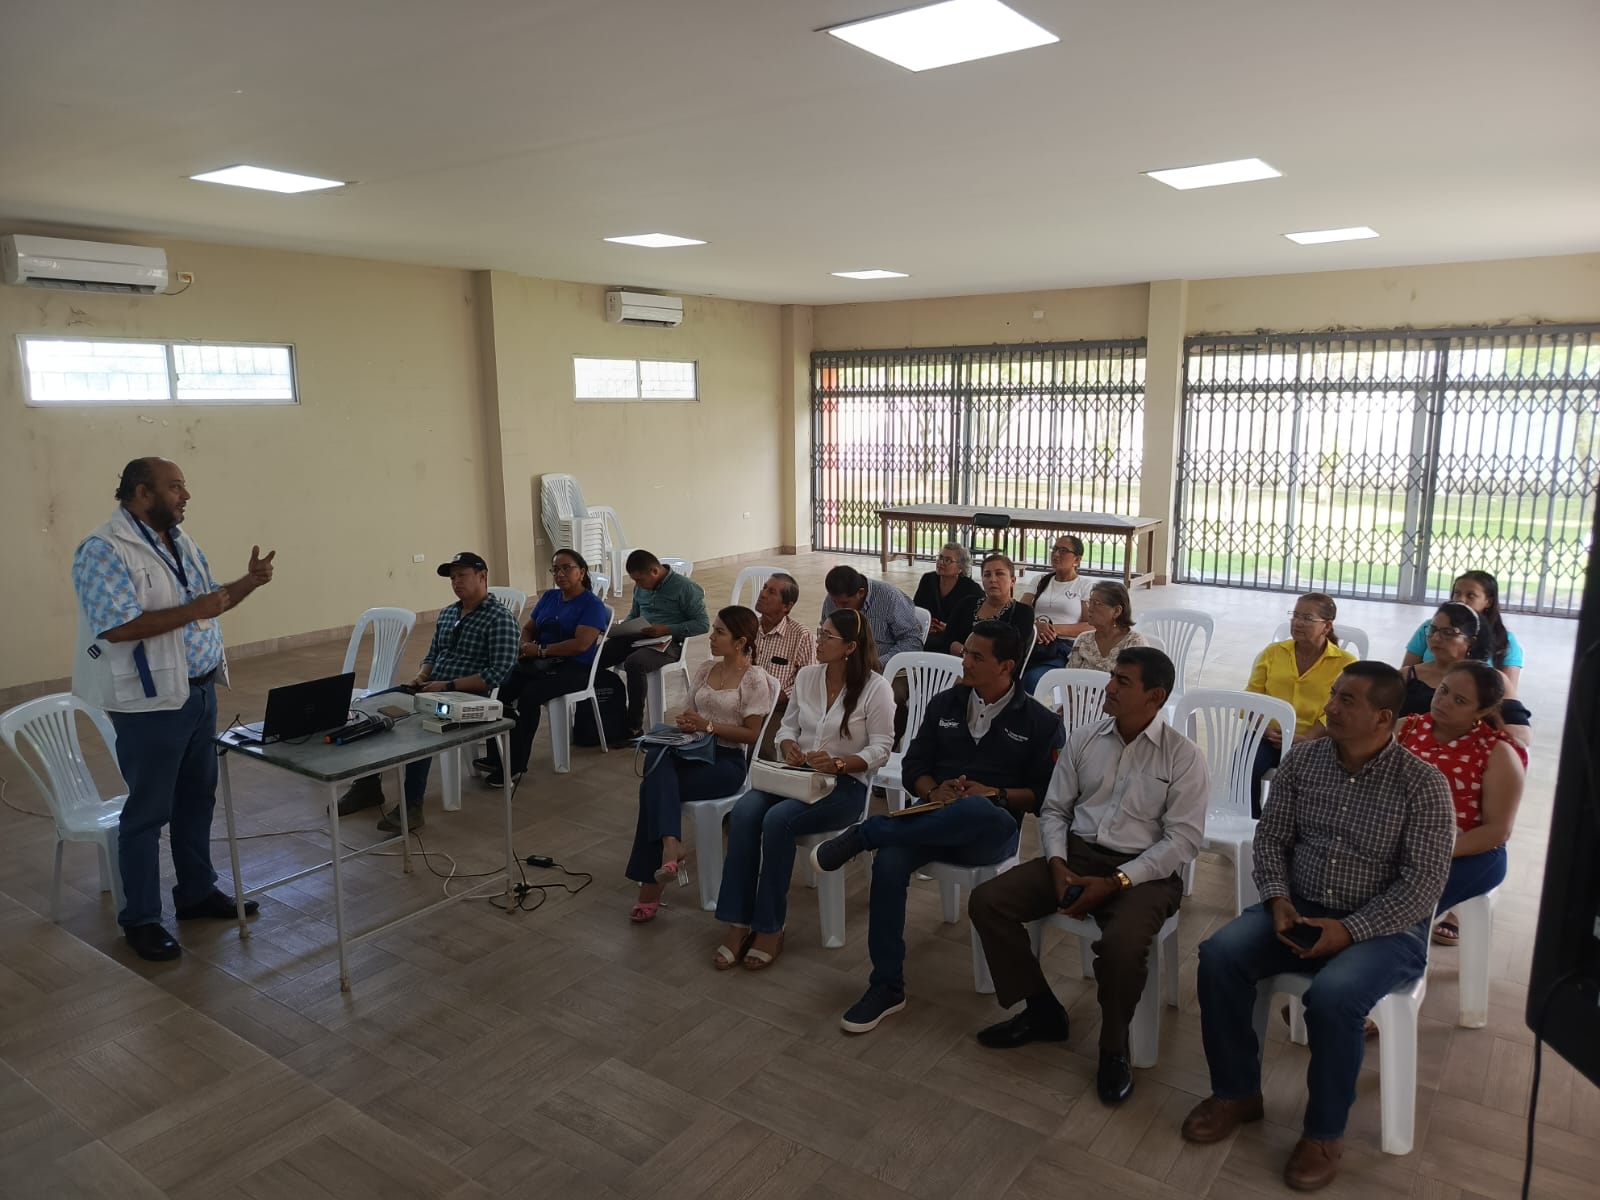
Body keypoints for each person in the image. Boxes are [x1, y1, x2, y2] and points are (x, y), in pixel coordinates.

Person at [1183, 662, 1453, 1192]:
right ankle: (1237, 1093)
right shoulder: (1304, 760)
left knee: (1333, 998)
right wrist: (1278, 899)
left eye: (1346, 700)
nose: (1329, 707)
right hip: (1300, 906)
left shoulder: (1423, 785)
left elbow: (1422, 886)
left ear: (1383, 718)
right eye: (1333, 694)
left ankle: (1323, 1133)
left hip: (1387, 928)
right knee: (1219, 956)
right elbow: (1271, 839)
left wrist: (1350, 930)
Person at [967, 647, 1207, 1104]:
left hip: (1147, 874)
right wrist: (1058, 864)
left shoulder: (1183, 756)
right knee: (989, 901)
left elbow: (1182, 841)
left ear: (1155, 696)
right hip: (1076, 857)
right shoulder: (1085, 738)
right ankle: (1042, 1009)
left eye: (1122, 682)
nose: (1108, 687)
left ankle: (1114, 1047)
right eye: (1112, 677)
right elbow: (1056, 810)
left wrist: (1117, 882)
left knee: (1121, 946)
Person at [808, 621, 1065, 1034]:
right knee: (890, 863)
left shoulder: (1039, 721)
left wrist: (993, 793)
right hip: (927, 819)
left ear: (1007, 666)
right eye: (967, 653)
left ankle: (867, 833)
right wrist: (933, 791)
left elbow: (1043, 795)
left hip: (990, 830)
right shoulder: (945, 703)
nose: (965, 661)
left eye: (977, 657)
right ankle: (886, 986)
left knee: (976, 808)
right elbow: (914, 766)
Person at [71, 457, 277, 962]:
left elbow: (209, 602)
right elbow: (115, 626)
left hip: (200, 692)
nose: (185, 495)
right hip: (150, 703)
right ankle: (141, 919)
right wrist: (192, 611)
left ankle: (196, 893)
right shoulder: (103, 549)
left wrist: (249, 583)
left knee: (196, 799)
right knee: (148, 812)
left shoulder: (179, 540)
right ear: (142, 492)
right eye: (175, 487)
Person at [713, 609, 894, 970]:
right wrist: (788, 746)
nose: (818, 641)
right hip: (797, 775)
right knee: (745, 812)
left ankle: (770, 926)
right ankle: (738, 921)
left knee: (778, 820)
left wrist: (840, 763)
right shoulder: (808, 677)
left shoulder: (876, 688)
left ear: (850, 647)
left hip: (845, 785)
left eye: (827, 636)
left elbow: (882, 748)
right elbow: (787, 726)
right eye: (819, 632)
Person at [337, 551, 519, 831]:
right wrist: (421, 676)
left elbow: (498, 674)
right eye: (453, 577)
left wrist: (447, 686)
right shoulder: (448, 613)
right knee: (370, 709)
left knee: (422, 727)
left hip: (468, 697)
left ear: (482, 576)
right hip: (432, 687)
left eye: (462, 575)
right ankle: (367, 785)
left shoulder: (500, 619)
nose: (456, 582)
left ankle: (412, 807)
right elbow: (433, 654)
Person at [626, 606, 777, 921]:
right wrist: (687, 723)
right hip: (692, 751)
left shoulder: (754, 679)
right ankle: (670, 845)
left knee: (652, 787)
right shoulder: (706, 669)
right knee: (656, 757)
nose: (712, 637)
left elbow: (752, 734)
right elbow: (689, 712)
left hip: (726, 762)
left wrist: (708, 726)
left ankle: (653, 882)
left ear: (740, 642)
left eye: (720, 632)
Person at [1396, 662, 1526, 945]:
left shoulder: (1498, 754)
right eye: (1443, 691)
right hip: (1402, 839)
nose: (1444, 702)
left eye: (1460, 701)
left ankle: (1400, 954)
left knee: (1405, 899)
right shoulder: (1406, 728)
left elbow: (1497, 831)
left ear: (1482, 711)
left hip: (1470, 850)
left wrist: (1433, 850)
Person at [476, 548, 611, 786]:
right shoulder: (550, 597)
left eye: (566, 568)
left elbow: (580, 645)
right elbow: (529, 628)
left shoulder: (592, 605)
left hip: (575, 668)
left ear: (581, 572)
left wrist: (540, 650)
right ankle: (496, 755)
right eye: (555, 569)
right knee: (501, 689)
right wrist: (524, 644)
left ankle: (515, 765)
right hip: (540, 662)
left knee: (530, 696)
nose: (560, 574)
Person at [1243, 593, 1357, 816]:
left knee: (1308, 786)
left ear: (1326, 627)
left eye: (1307, 618)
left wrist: (1307, 739)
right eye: (1295, 616)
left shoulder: (1345, 663)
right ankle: (1253, 822)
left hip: (1317, 741)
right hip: (1269, 735)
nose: (1297, 623)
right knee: (1245, 768)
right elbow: (1251, 698)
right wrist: (1264, 729)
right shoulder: (1273, 652)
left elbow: (1342, 710)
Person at [1401, 571, 1531, 740]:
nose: (1436, 638)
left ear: (1472, 641)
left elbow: (1521, 736)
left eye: (1449, 632)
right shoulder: (1408, 676)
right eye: (1433, 630)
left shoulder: (1495, 676)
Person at [601, 550, 710, 739]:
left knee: (635, 663)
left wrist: (668, 629)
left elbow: (702, 624)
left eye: (640, 580)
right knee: (599, 655)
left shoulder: (686, 588)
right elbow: (634, 614)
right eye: (634, 580)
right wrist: (623, 628)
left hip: (669, 643)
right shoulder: (640, 587)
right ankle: (604, 714)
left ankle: (633, 726)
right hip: (640, 635)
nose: (638, 585)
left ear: (654, 571)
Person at [1020, 535, 1096, 692]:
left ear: (1077, 559)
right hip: (1033, 643)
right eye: (1054, 549)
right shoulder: (1040, 580)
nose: (1056, 554)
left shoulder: (1085, 585)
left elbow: (1090, 625)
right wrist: (1035, 626)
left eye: (1063, 551)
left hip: (1062, 648)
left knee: (1032, 679)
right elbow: (1020, 612)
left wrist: (1053, 629)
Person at [750, 571, 816, 745]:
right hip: (743, 702)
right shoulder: (748, 627)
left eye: (771, 592)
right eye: (764, 588)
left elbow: (809, 683)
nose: (762, 594)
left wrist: (781, 697)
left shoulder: (801, 636)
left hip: (779, 710)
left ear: (787, 606)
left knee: (763, 747)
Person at [820, 565, 924, 663]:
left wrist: (879, 663)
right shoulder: (832, 599)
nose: (839, 608)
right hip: (844, 665)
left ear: (861, 593)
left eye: (845, 603)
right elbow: (825, 634)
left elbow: (912, 640)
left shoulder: (890, 597)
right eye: (835, 602)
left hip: (883, 668)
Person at [943, 553, 1035, 660]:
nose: (993, 579)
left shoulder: (1022, 612)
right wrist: (959, 650)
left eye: (999, 574)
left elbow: (1013, 652)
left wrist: (968, 654)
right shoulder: (967, 603)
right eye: (987, 575)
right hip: (955, 663)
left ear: (1012, 581)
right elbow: (947, 638)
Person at [913, 543, 982, 654]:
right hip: (927, 633)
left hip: (954, 639)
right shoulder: (928, 579)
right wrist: (925, 625)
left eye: (948, 560)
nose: (941, 562)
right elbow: (916, 609)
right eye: (940, 558)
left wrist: (949, 628)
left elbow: (974, 624)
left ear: (960, 568)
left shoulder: (971, 589)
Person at [1064, 581, 1148, 672]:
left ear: (1116, 611)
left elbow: (1139, 679)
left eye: (1097, 604)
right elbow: (1069, 675)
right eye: (1090, 602)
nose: (1090, 609)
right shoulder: (1084, 639)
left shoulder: (1134, 643)